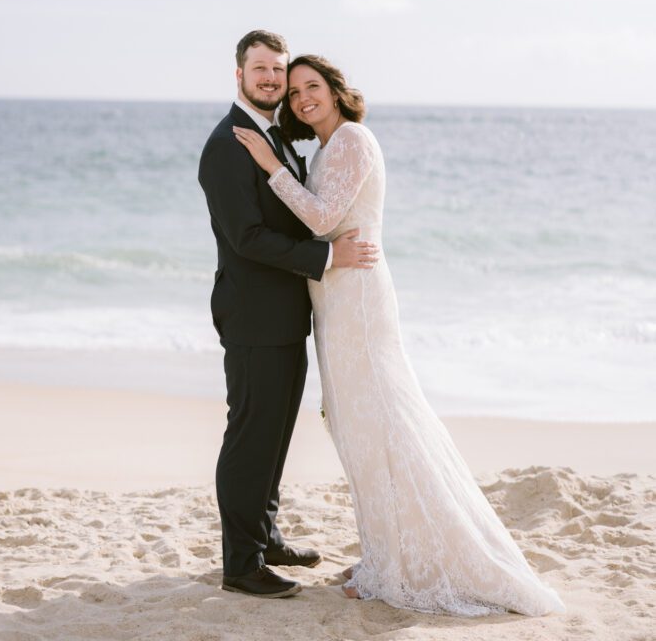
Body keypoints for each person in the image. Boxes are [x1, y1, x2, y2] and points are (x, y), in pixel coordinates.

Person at [232, 53, 566, 617]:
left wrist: (270, 164)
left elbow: (320, 218)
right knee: (356, 429)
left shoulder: (355, 140)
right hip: (334, 299)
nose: (302, 98)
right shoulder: (327, 146)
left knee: (380, 424)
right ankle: (384, 553)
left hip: (358, 301)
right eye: (292, 93)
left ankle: (399, 564)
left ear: (336, 91)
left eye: (312, 86)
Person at [198, 31, 379, 600]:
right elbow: (247, 237)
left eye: (279, 69)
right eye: (262, 70)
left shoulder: (273, 136)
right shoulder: (228, 145)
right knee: (251, 435)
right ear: (239, 75)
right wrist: (327, 256)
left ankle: (266, 536)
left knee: (274, 434)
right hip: (253, 315)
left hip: (285, 314)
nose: (273, 79)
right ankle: (242, 563)